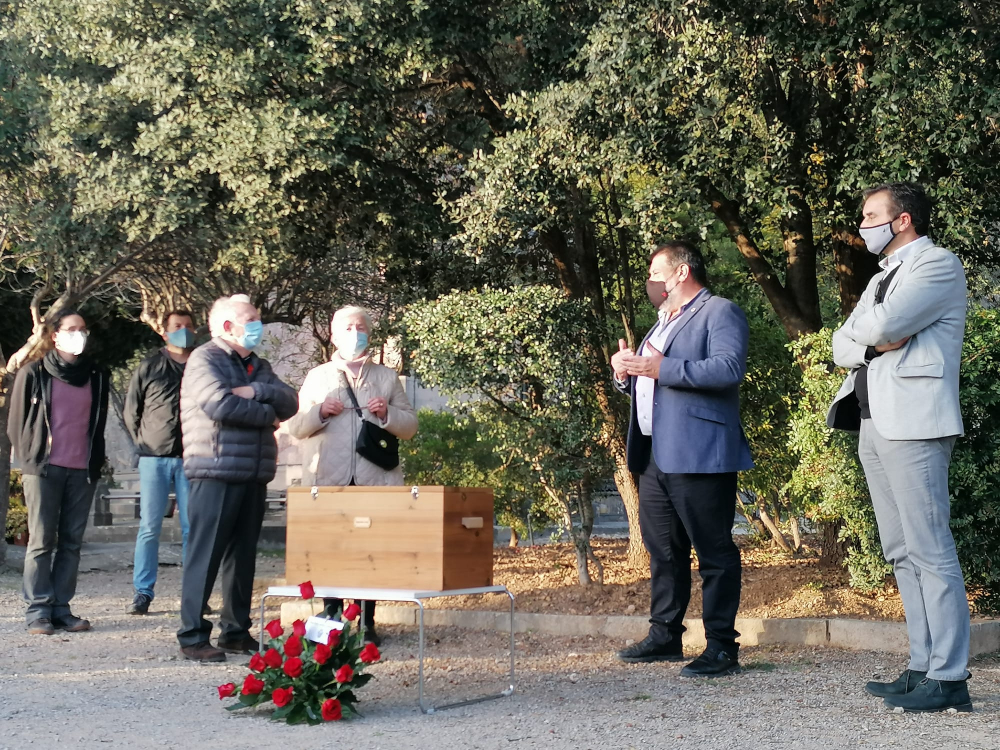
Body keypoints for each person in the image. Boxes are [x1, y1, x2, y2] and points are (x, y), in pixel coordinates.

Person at [828, 182, 971, 713]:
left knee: (930, 548)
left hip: (915, 422)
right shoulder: (882, 276)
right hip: (872, 420)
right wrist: (869, 339)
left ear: (903, 220)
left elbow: (887, 325)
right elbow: (844, 343)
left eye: (871, 215)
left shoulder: (937, 265)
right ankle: (922, 665)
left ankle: (951, 676)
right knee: (900, 550)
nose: (862, 224)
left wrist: (869, 334)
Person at [611, 241, 753, 677]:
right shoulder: (661, 321)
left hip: (699, 452)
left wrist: (661, 369)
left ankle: (722, 647)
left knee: (714, 551)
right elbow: (649, 378)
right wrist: (624, 372)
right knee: (663, 551)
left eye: (656, 273)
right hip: (655, 453)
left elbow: (729, 368)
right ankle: (665, 635)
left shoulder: (719, 312)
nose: (651, 282)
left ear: (682, 272)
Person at [175, 295, 298, 662]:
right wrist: (268, 416)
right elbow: (219, 405)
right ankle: (193, 634)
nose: (258, 324)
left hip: (253, 473)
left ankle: (235, 631)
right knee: (206, 555)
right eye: (251, 319)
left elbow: (290, 401)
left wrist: (258, 392)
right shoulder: (204, 359)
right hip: (215, 470)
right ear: (228, 327)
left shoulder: (258, 366)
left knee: (242, 557)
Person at [286, 305, 418, 646]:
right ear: (333, 335)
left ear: (369, 334)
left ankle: (367, 621)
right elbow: (296, 426)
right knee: (332, 550)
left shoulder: (386, 377)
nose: (354, 334)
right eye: (347, 328)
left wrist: (388, 413)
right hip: (330, 478)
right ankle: (332, 617)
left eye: (360, 328)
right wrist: (319, 411)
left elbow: (410, 426)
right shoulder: (318, 377)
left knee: (369, 553)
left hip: (375, 478)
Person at [7, 309, 110, 635]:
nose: (78, 333)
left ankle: (61, 609)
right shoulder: (34, 373)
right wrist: (31, 460)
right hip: (44, 469)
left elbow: (97, 422)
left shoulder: (97, 375)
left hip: (82, 470)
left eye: (82, 328)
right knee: (40, 541)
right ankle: (37, 610)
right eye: (71, 329)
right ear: (55, 335)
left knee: (71, 542)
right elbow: (16, 425)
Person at [124, 310, 197, 615]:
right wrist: (145, 442)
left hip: (192, 457)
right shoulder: (149, 366)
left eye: (188, 326)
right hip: (154, 458)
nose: (183, 331)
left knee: (192, 528)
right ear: (165, 333)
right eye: (177, 327)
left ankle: (195, 593)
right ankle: (143, 592)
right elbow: (132, 411)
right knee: (149, 527)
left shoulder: (202, 365)